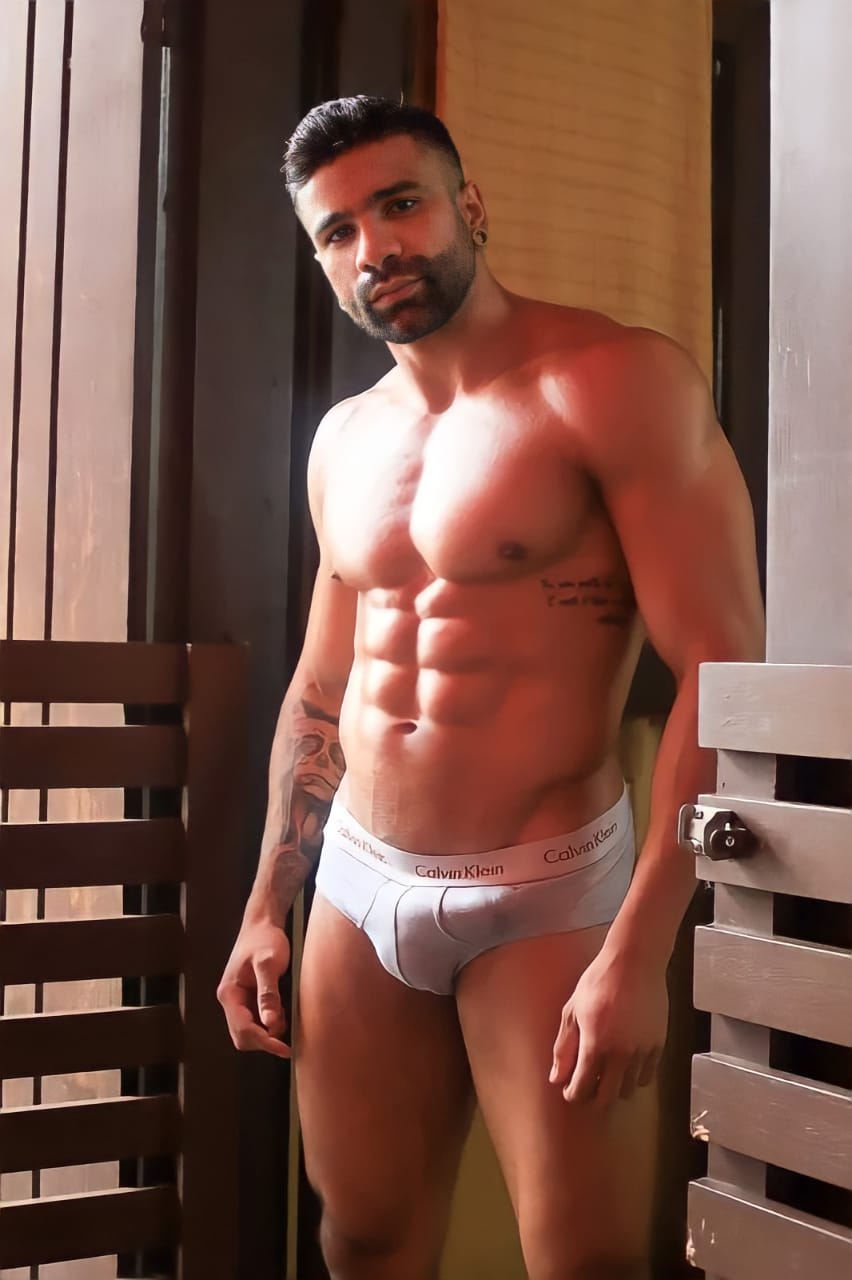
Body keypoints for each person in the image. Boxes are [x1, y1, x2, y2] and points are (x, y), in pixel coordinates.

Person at [218, 96, 764, 1280]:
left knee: (582, 1260)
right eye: (339, 231)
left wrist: (642, 949)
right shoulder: (342, 439)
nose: (376, 248)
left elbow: (722, 670)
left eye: (400, 205)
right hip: (359, 882)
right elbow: (324, 683)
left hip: (546, 889)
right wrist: (268, 898)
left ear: (468, 205)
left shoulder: (613, 382)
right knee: (362, 1239)